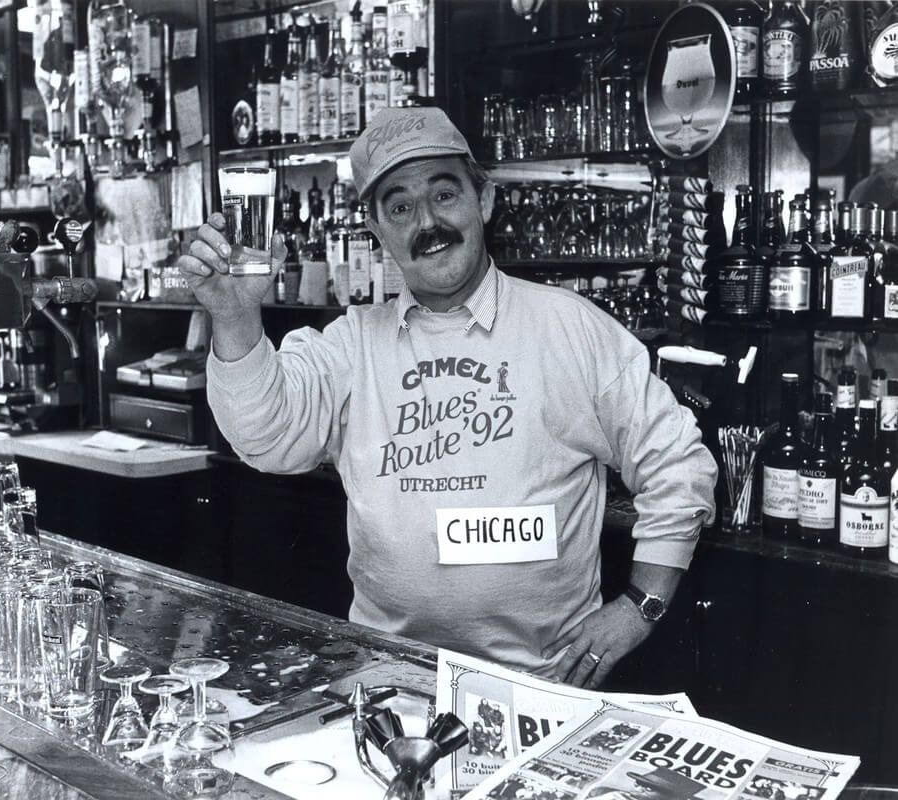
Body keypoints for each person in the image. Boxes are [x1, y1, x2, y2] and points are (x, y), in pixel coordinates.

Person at [177, 106, 717, 687]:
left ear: (482, 200)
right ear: (377, 230)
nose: (428, 224)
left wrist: (642, 605)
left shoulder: (568, 328)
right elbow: (266, 438)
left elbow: (677, 460)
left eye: (444, 194)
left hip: (540, 683)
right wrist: (233, 316)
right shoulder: (353, 343)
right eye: (401, 208)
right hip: (387, 677)